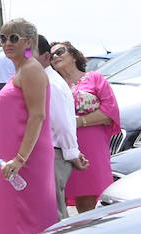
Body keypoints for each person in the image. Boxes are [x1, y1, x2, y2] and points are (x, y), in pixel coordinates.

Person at [0, 19, 56, 234]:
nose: (7, 44)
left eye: (13, 38)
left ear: (28, 41)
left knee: (25, 219)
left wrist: (20, 158)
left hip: (26, 160)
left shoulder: (31, 69)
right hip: (11, 159)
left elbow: (37, 116)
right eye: (2, 38)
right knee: (11, 217)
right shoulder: (20, 70)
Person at [51, 40, 119, 214]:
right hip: (62, 148)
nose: (55, 56)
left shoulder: (95, 78)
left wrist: (78, 121)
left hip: (92, 148)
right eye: (51, 55)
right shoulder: (54, 86)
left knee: (87, 203)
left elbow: (109, 113)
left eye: (59, 51)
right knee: (56, 202)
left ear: (73, 55)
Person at [37, 36, 83, 220]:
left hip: (55, 154)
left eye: (29, 53)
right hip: (50, 153)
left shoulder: (51, 83)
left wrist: (72, 154)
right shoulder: (44, 79)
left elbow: (63, 124)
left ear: (45, 56)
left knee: (54, 213)